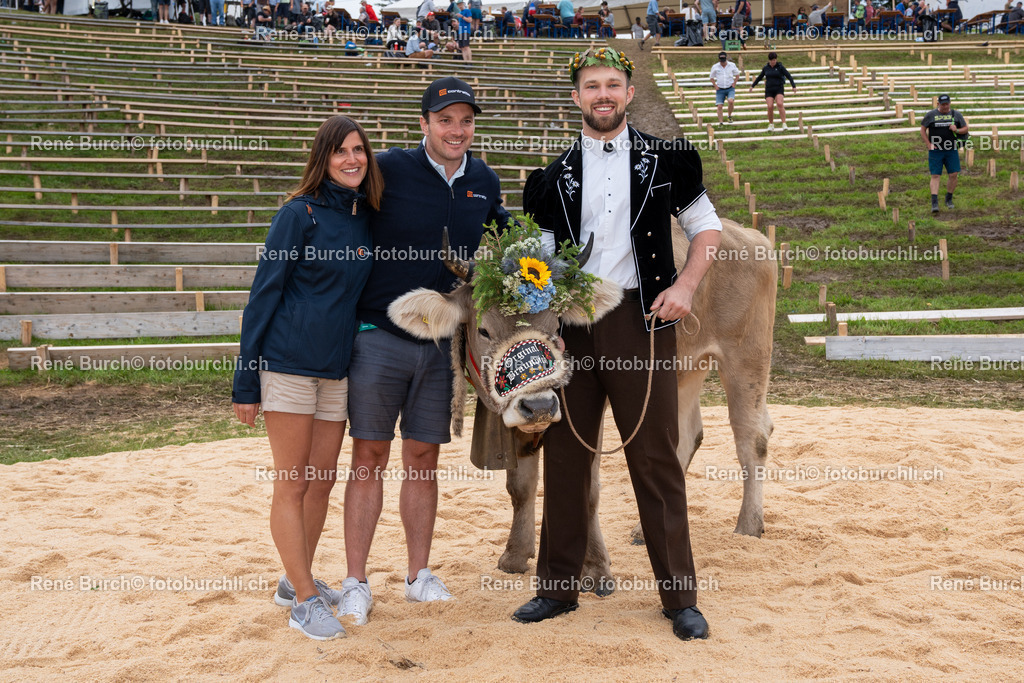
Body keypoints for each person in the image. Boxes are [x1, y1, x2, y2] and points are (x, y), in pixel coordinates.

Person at [512, 46, 722, 643]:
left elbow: (704, 228)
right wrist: (530, 292)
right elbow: (539, 259)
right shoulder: (549, 179)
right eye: (590, 86)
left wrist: (685, 284)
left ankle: (679, 597)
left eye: (612, 84)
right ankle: (557, 588)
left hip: (642, 318)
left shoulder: (668, 160)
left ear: (629, 94)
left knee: (654, 456)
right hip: (570, 326)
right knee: (566, 454)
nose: (602, 94)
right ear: (576, 97)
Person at [341, 78, 511, 627]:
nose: (456, 130)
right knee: (369, 456)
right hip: (378, 337)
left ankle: (418, 576)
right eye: (445, 120)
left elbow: (504, 231)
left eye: (465, 121)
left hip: (439, 344)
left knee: (423, 459)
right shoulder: (387, 169)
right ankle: (355, 582)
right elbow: (343, 214)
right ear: (424, 124)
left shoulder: (483, 178)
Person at [232, 116, 382, 641]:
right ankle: (304, 600)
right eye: (340, 151)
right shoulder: (297, 215)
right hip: (288, 366)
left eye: (359, 150)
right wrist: (245, 381)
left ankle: (293, 579)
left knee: (322, 480)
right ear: (323, 157)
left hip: (335, 372)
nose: (352, 159)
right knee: (292, 483)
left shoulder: (365, 218)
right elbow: (262, 298)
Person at [920, 93, 968, 212]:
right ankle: (934, 203)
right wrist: (928, 144)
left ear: (950, 104)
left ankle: (949, 198)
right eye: (943, 104)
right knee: (935, 175)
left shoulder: (956, 114)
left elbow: (965, 129)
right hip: (936, 151)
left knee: (953, 174)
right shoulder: (931, 115)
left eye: (947, 104)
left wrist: (956, 129)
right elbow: (922, 129)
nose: (945, 107)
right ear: (938, 104)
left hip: (951, 149)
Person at [749, 51, 797, 132]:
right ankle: (771, 124)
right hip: (769, 89)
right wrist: (752, 86)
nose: (773, 62)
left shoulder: (780, 67)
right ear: (769, 60)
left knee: (779, 103)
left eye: (774, 60)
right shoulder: (766, 68)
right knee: (770, 106)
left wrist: (793, 86)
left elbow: (788, 75)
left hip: (779, 88)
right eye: (771, 60)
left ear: (776, 59)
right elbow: (760, 77)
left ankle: (784, 123)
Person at [710, 50, 739, 124]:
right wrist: (715, 86)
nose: (722, 62)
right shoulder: (715, 66)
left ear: (726, 58)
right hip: (720, 88)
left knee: (731, 101)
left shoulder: (732, 65)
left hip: (730, 87)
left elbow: (737, 74)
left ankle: (729, 116)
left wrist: (734, 83)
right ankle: (721, 122)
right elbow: (711, 77)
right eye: (721, 60)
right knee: (719, 106)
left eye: (724, 60)